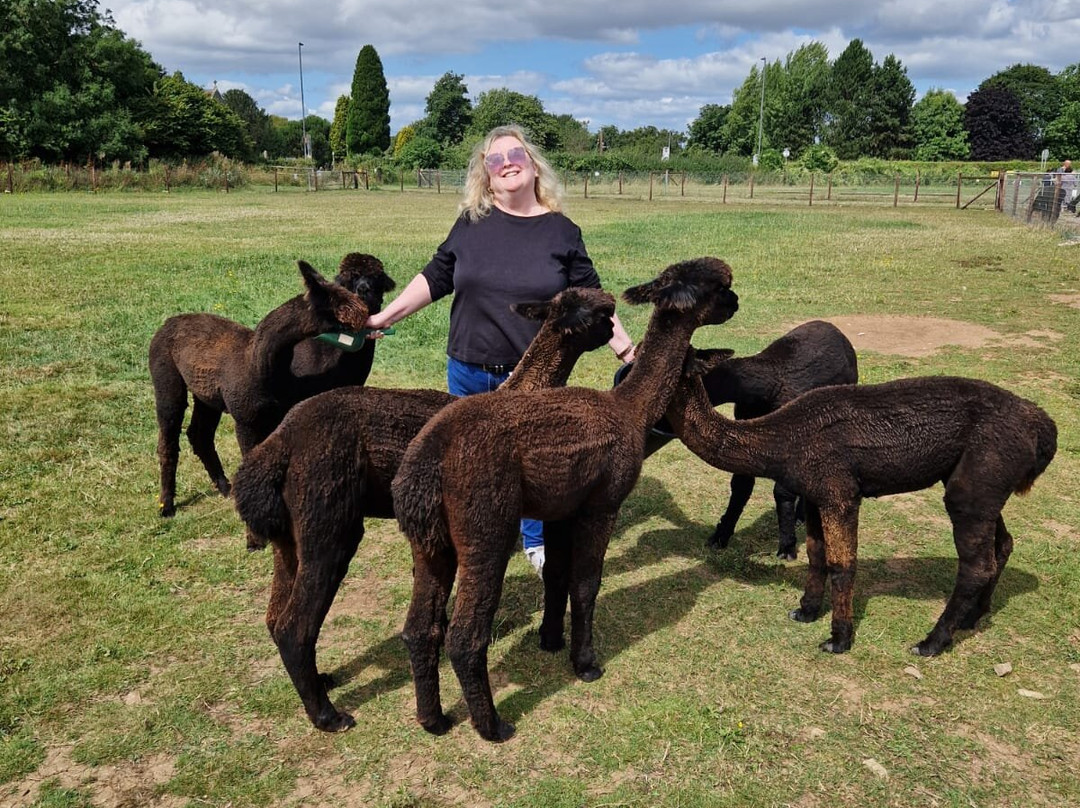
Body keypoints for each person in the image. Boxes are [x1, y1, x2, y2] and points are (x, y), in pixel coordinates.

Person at [364, 124, 636, 575]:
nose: (506, 162)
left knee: (531, 463)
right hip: (468, 371)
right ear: (486, 177)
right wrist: (382, 319)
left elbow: (592, 298)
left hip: (535, 374)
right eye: (495, 159)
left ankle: (533, 541)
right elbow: (435, 277)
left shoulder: (562, 232)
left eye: (516, 155)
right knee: (469, 461)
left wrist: (627, 352)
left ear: (533, 167)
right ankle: (474, 533)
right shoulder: (471, 226)